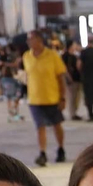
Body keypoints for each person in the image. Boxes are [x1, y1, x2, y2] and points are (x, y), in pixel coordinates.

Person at [23, 30, 69, 166]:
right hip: (35, 99)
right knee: (40, 126)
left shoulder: (52, 55)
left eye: (31, 39)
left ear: (39, 40)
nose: (29, 42)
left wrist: (62, 97)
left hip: (52, 98)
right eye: (28, 40)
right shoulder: (26, 56)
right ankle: (42, 153)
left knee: (56, 125)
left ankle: (61, 148)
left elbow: (61, 78)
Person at [64, 41, 85, 121]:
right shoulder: (66, 56)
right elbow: (64, 68)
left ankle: (74, 112)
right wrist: (68, 77)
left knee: (77, 97)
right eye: (74, 45)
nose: (76, 46)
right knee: (72, 97)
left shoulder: (75, 55)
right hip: (71, 79)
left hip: (77, 78)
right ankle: (72, 113)